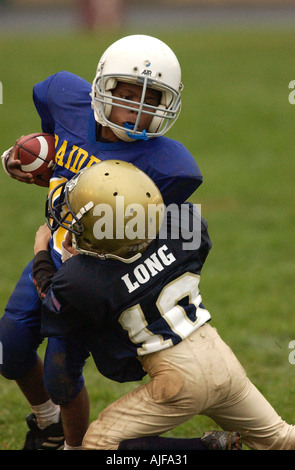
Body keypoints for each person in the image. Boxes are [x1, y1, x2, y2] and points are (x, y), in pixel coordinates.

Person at [0, 35, 204, 450]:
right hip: (51, 248)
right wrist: (29, 157)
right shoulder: (65, 97)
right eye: (128, 96)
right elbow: (53, 137)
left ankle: (73, 446)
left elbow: (153, 233)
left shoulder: (170, 166)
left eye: (152, 100)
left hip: (89, 277)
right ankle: (47, 423)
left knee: (61, 375)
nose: (139, 110)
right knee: (10, 347)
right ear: (101, 89)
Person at [34, 161, 295, 451]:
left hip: (177, 378)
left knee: (98, 443)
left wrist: (41, 252)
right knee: (280, 440)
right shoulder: (185, 227)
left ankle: (203, 448)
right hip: (221, 359)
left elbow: (52, 298)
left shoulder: (82, 279)